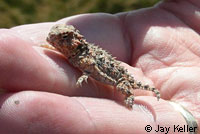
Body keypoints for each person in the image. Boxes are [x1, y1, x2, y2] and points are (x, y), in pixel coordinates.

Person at [0, 0, 199, 133]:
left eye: (62, 38)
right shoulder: (73, 51)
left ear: (74, 41)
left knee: (126, 89)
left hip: (118, 78)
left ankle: (133, 95)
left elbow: (91, 64)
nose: (54, 40)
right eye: (55, 37)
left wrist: (86, 73)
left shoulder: (84, 54)